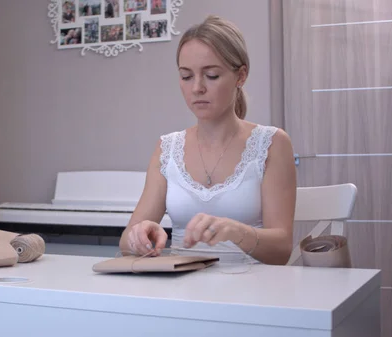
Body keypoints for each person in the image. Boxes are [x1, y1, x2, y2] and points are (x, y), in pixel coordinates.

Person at [118, 15, 296, 265]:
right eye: (186, 76)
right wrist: (138, 236)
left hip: (253, 292)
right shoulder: (167, 148)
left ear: (240, 76)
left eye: (211, 75)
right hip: (183, 292)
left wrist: (235, 231)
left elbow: (282, 250)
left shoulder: (272, 144)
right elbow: (126, 243)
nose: (197, 88)